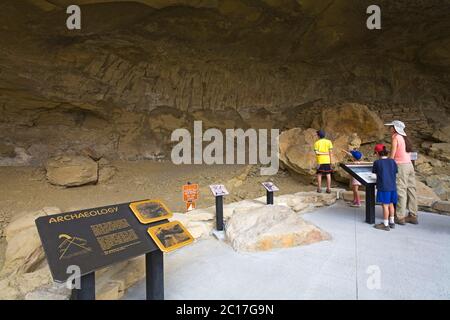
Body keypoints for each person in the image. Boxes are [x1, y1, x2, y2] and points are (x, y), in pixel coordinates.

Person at [385, 120, 418, 225]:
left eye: (391, 127)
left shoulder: (395, 137)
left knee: (401, 190)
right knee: (411, 190)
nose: (389, 129)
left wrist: (388, 164)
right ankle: (413, 215)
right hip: (409, 165)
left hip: (401, 166)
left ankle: (400, 216)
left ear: (395, 128)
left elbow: (393, 155)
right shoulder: (404, 137)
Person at [372, 144, 398, 231]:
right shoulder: (392, 161)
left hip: (384, 187)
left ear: (377, 153)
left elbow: (375, 174)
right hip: (393, 186)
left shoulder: (377, 163)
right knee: (391, 204)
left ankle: (385, 224)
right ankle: (392, 222)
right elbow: (395, 172)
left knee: (385, 205)